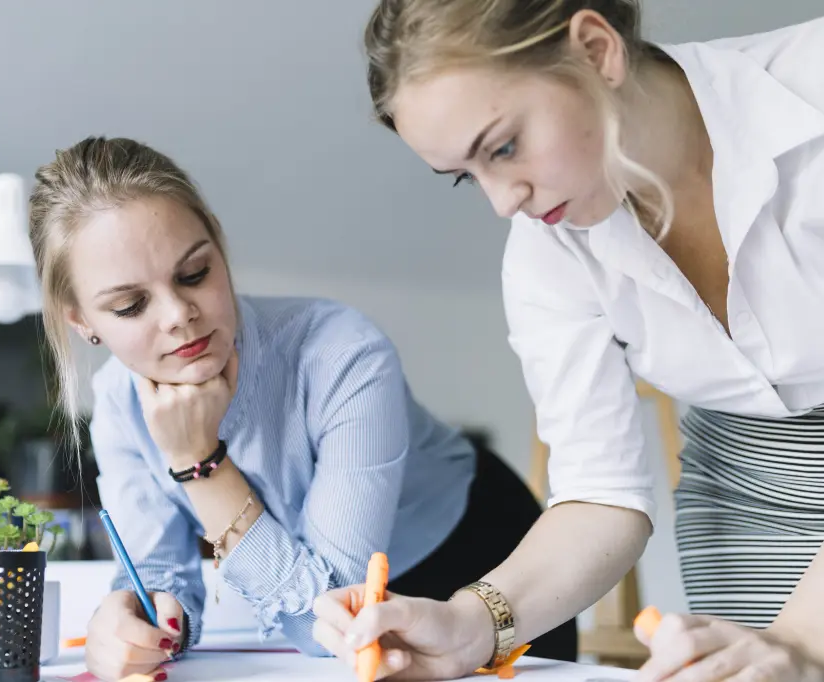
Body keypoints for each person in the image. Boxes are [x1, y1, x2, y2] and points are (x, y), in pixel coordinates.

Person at [312, 1, 824, 680]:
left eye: (502, 147)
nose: (502, 201)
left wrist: (803, 641)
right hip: (749, 505)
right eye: (468, 173)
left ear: (594, 49)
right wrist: (474, 622)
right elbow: (599, 490)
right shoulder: (547, 248)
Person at [27, 136, 577, 680]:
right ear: (81, 321)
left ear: (218, 245)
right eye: (130, 305)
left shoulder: (342, 352)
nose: (178, 314)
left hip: (475, 561)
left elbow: (329, 615)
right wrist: (136, 620)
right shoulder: (119, 404)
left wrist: (200, 463)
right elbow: (159, 575)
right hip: (331, 607)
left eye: (195, 273)